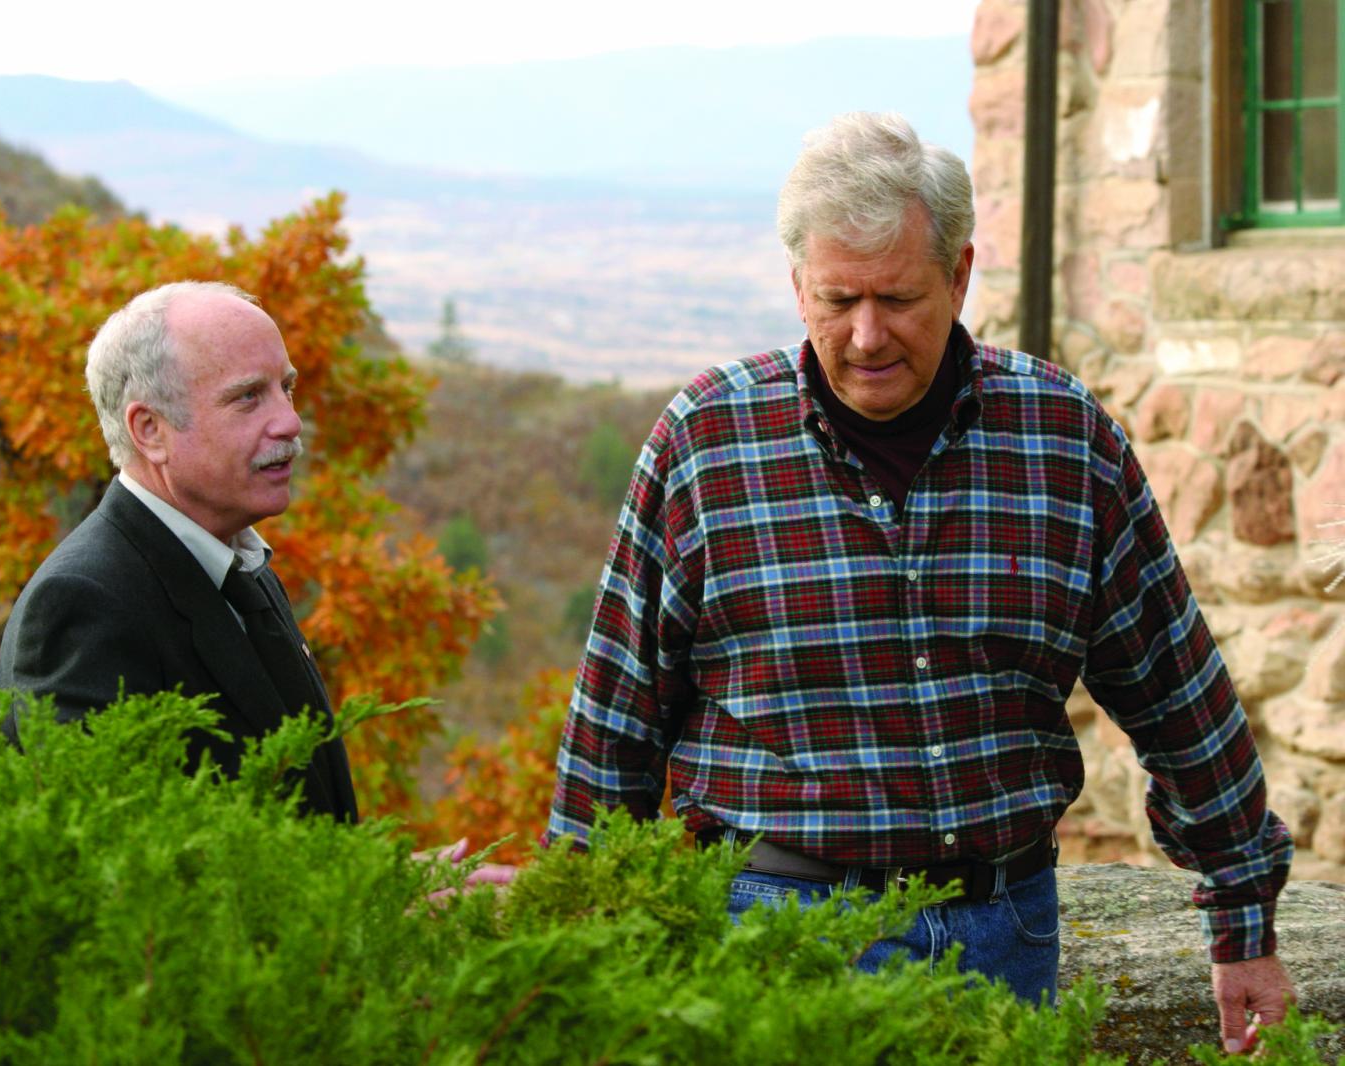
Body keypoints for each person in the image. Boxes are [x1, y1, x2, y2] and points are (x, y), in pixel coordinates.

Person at [546, 113, 1293, 1053]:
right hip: (771, 933)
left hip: (1004, 935)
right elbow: (614, 722)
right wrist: (573, 944)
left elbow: (1178, 693)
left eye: (898, 298)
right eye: (838, 299)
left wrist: (1244, 918)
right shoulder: (706, 443)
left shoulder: (1062, 440)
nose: (866, 336)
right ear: (797, 286)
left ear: (960, 274)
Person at [0, 281, 357, 817]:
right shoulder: (83, 605)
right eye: (248, 397)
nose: (289, 421)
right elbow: (115, 853)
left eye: (286, 388)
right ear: (150, 430)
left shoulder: (239, 567)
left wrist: (388, 868)